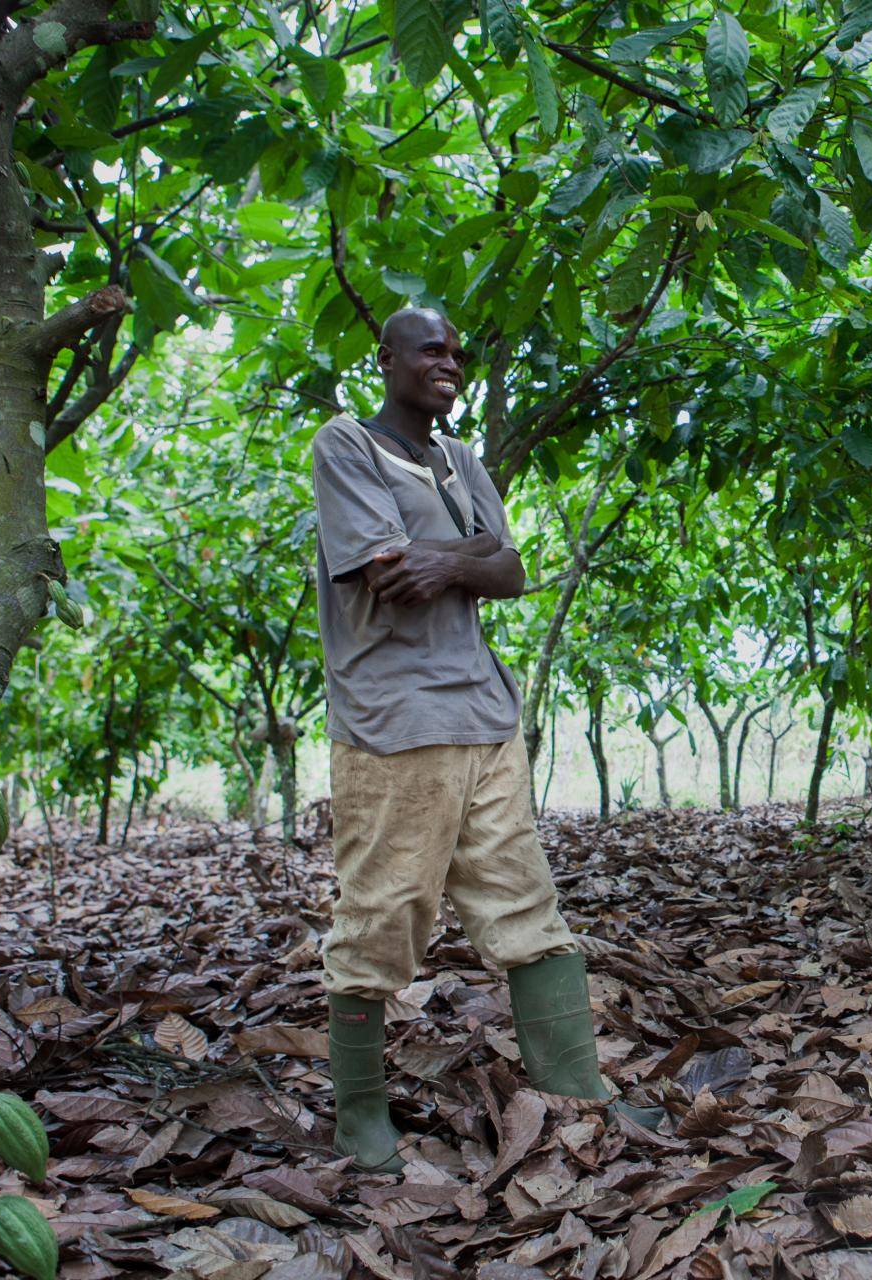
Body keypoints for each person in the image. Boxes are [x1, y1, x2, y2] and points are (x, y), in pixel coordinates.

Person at [308, 306, 657, 1172]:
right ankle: (360, 1116)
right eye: (431, 348)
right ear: (386, 359)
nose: (449, 361)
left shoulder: (461, 461)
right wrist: (465, 557)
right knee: (382, 919)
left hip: (484, 716)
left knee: (526, 907)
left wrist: (455, 559)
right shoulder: (346, 444)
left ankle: (579, 1092)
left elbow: (510, 569)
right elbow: (390, 577)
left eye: (458, 351)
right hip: (397, 723)